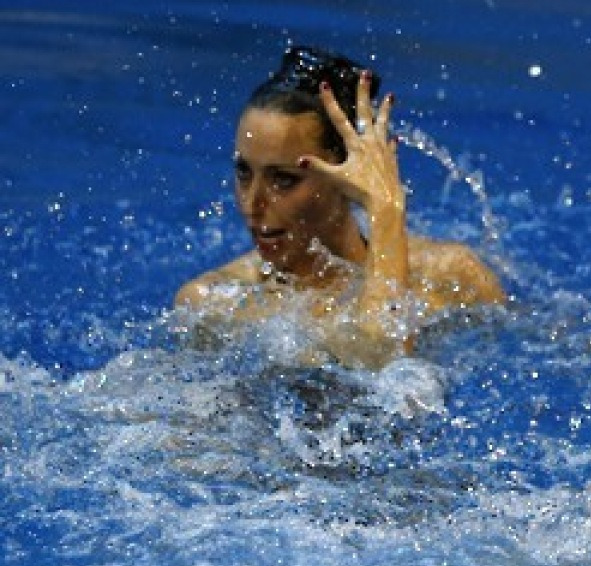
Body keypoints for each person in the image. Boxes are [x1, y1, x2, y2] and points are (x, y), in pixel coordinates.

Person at [175, 46, 504, 369]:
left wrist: (385, 208)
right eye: (244, 173)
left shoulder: (452, 274)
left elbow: (385, 353)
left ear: (349, 176)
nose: (253, 203)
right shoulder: (217, 301)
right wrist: (387, 212)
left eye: (284, 180)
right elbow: (379, 357)